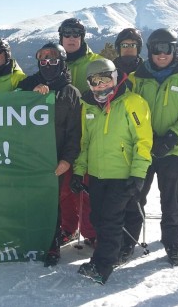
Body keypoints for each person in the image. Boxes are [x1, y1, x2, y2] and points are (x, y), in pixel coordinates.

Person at [72, 58, 152, 284]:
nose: (101, 86)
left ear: (115, 78)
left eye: (105, 79)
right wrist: (79, 171)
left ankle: (103, 265)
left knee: (110, 221)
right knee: (97, 218)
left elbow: (143, 141)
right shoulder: (88, 106)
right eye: (94, 81)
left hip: (122, 175)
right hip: (98, 175)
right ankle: (102, 259)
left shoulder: (132, 102)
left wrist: (138, 174)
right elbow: (85, 142)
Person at [124, 28, 178, 266]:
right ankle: (127, 243)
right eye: (157, 49)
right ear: (150, 50)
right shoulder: (137, 78)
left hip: (173, 150)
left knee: (173, 200)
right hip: (143, 149)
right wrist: (144, 139)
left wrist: (171, 138)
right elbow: (128, 112)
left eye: (167, 48)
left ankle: (174, 244)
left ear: (175, 50)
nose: (162, 54)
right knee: (135, 197)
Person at [17, 43, 82, 267]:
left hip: (56, 158)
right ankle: (28, 240)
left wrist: (67, 159)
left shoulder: (70, 92)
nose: (47, 64)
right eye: (43, 59)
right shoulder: (28, 85)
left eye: (53, 59)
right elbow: (6, 107)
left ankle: (51, 244)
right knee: (29, 200)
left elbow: (76, 132)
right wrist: (30, 97)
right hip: (30, 156)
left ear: (62, 62)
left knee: (51, 203)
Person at [57, 18, 101, 245]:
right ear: (61, 37)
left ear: (82, 38)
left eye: (76, 34)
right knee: (65, 188)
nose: (72, 38)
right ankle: (68, 228)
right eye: (67, 34)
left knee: (85, 185)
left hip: (89, 134)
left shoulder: (95, 62)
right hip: (63, 136)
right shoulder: (56, 61)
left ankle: (91, 233)